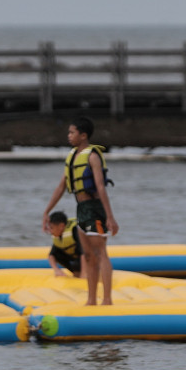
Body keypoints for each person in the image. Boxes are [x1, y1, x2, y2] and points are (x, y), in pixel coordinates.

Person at [42, 116, 118, 305]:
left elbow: (100, 187)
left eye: (72, 132)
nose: (69, 136)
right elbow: (61, 187)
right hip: (81, 208)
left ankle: (107, 299)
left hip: (94, 208)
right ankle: (91, 299)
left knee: (101, 253)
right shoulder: (72, 157)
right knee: (88, 256)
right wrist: (46, 211)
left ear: (83, 135)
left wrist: (110, 216)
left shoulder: (92, 156)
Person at [46, 210, 84, 277]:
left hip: (89, 258)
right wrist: (56, 270)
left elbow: (84, 252)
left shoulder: (75, 231)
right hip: (76, 259)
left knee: (78, 260)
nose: (50, 231)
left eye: (52, 228)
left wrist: (84, 273)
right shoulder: (59, 236)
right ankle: (77, 273)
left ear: (61, 226)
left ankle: (83, 273)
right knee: (57, 255)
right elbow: (51, 255)